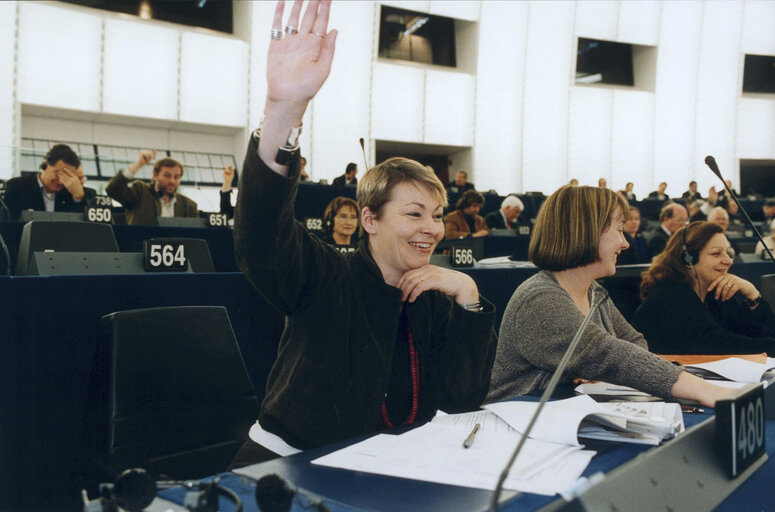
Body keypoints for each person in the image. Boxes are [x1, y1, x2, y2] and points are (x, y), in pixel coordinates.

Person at [229, 0, 496, 466]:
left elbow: (462, 399)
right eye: (414, 214)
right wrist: (283, 109)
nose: (432, 229)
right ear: (369, 219)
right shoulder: (326, 273)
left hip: (386, 466)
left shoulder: (434, 294)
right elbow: (260, 236)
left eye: (436, 215)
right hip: (290, 463)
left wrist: (469, 297)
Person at [487, 186, 729, 407]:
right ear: (587, 232)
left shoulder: (595, 292)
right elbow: (608, 355)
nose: (624, 244)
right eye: (619, 230)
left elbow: (634, 343)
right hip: (517, 430)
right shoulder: (539, 299)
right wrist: (703, 390)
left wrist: (596, 368)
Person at [632, 222, 775, 354]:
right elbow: (719, 345)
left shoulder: (714, 293)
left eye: (728, 253)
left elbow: (759, 332)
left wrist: (752, 293)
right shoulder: (670, 295)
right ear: (688, 259)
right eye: (716, 253)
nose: (728, 261)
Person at [4, 144, 96, 220]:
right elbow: (9, 224)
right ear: (46, 164)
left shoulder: (73, 193)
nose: (60, 181)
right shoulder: (17, 187)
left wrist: (78, 197)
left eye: (66, 177)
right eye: (58, 174)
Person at [106, 149, 198, 225]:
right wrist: (138, 164)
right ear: (155, 175)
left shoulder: (189, 206)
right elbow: (113, 189)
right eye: (167, 176)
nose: (172, 181)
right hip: (141, 245)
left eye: (176, 177)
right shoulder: (140, 192)